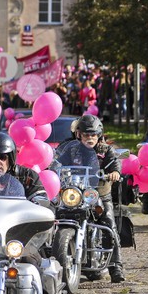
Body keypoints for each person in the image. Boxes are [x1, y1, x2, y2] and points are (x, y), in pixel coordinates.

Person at [55, 114, 125, 283]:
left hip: (99, 193)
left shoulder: (105, 150)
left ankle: (116, 266)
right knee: (57, 214)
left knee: (109, 222)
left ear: (99, 135)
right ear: (79, 134)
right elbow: (58, 161)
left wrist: (114, 172)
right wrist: (53, 167)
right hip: (76, 192)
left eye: (93, 134)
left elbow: (115, 162)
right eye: (86, 134)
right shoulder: (72, 150)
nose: (90, 138)